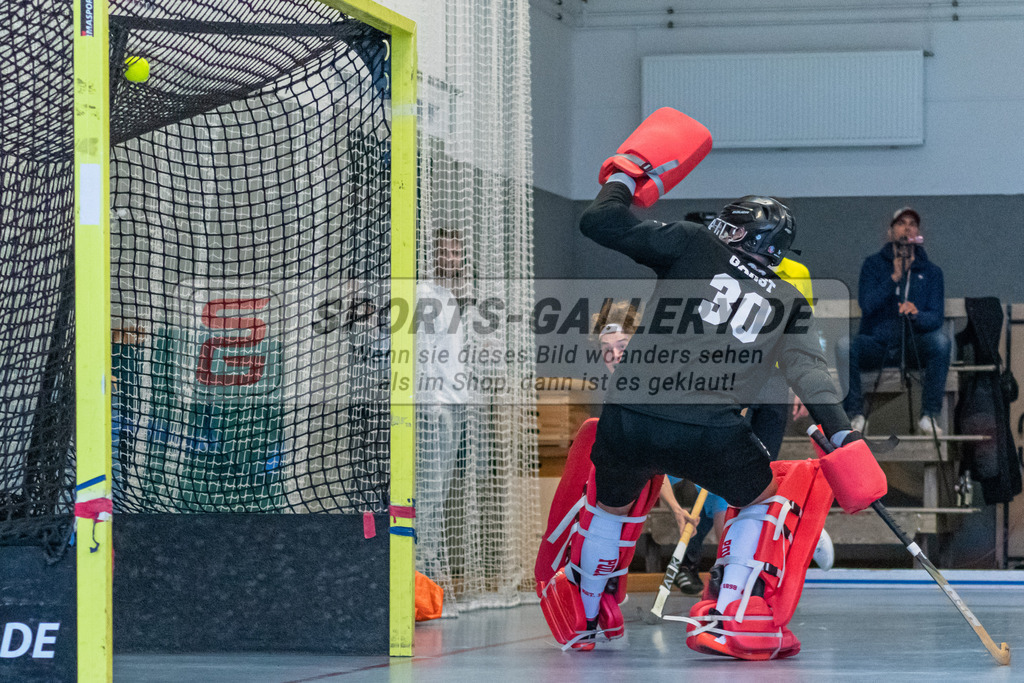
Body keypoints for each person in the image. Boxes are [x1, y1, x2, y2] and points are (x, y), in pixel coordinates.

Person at [540, 169, 886, 660]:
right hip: (706, 430)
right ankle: (732, 612)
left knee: (610, 504)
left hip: (629, 416)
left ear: (737, 231)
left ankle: (587, 614)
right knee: (762, 498)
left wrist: (624, 177)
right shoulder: (789, 301)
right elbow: (810, 375)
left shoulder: (692, 241)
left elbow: (598, 222)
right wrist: (843, 435)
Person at [839, 207, 951, 436]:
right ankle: (855, 415)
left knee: (941, 343)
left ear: (918, 233)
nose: (907, 228)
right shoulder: (873, 265)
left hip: (912, 345)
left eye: (912, 224)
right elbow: (867, 305)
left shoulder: (931, 272)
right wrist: (894, 279)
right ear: (890, 232)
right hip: (878, 344)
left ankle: (929, 416)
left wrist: (916, 314)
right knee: (844, 346)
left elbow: (935, 317)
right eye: (901, 223)